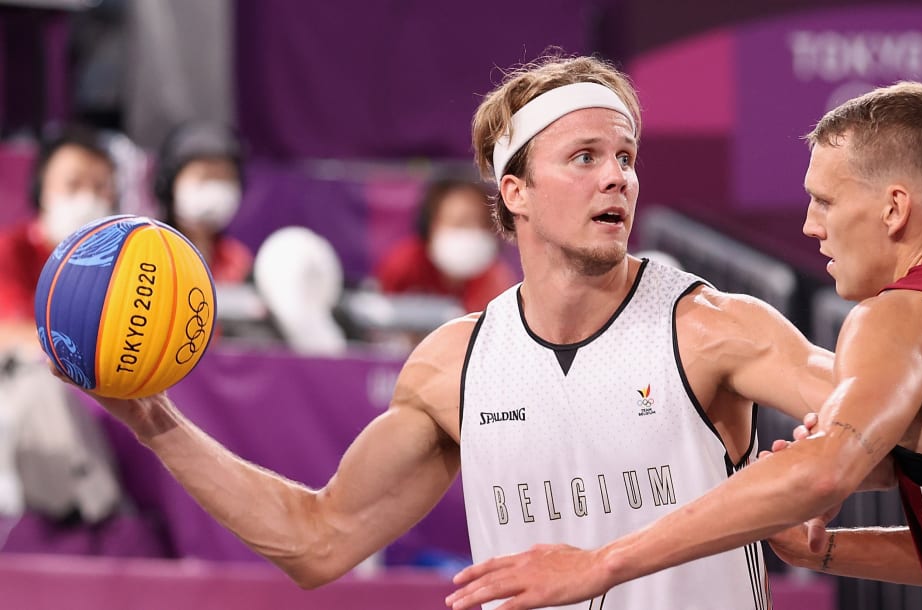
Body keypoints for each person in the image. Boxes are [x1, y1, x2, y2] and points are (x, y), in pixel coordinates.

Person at [76, 54, 833, 609]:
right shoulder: (454, 367)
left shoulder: (713, 328)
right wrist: (157, 422)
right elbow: (317, 541)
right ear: (515, 190)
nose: (618, 178)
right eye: (585, 157)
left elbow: (882, 426)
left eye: (626, 158)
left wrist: (832, 459)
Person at [447, 82, 922, 610]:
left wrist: (602, 564)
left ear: (893, 209)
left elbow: (822, 471)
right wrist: (828, 550)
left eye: (824, 201)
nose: (811, 225)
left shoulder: (901, 316)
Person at [0, 124, 117, 355]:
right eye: (73, 184)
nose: (88, 197)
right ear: (42, 189)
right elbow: (9, 331)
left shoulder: (121, 263)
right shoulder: (10, 250)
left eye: (100, 187)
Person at [375, 177, 516, 313]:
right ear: (432, 225)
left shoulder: (493, 277)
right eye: (461, 222)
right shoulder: (404, 264)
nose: (473, 231)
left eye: (481, 223)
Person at [153, 120, 252, 284]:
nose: (215, 189)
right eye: (205, 176)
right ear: (170, 184)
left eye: (225, 179)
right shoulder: (148, 251)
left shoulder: (238, 261)